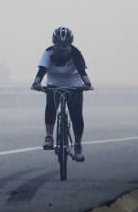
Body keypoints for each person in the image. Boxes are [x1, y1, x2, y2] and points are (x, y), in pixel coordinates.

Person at [30, 26, 93, 162]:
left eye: (65, 46)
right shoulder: (48, 53)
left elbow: (82, 71)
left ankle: (77, 146)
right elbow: (41, 70)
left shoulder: (76, 53)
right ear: (54, 44)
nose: (61, 49)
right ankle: (49, 136)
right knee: (51, 105)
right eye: (58, 45)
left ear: (70, 45)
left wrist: (87, 84)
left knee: (76, 115)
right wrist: (36, 83)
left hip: (73, 84)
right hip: (54, 83)